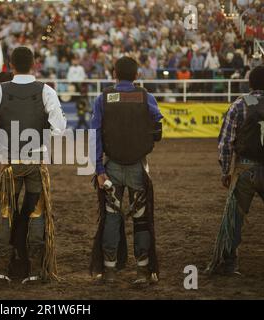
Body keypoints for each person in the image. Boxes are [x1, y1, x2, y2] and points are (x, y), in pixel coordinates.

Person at [0, 47, 66, 285]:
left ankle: (0, 269)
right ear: (34, 65)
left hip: (9, 163)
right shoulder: (46, 91)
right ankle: (36, 268)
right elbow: (59, 129)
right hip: (35, 162)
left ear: (11, 65)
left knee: (5, 212)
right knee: (37, 212)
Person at [90, 56, 163, 285]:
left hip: (111, 167)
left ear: (114, 74)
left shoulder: (103, 99)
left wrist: (99, 170)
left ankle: (110, 270)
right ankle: (142, 271)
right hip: (137, 167)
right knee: (141, 218)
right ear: (137, 75)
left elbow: (95, 136)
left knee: (111, 217)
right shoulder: (146, 97)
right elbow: (158, 127)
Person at [206, 65, 264, 276]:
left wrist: (225, 171)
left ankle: (229, 263)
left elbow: (225, 143)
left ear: (250, 83)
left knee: (234, 218)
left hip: (245, 168)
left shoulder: (241, 104)